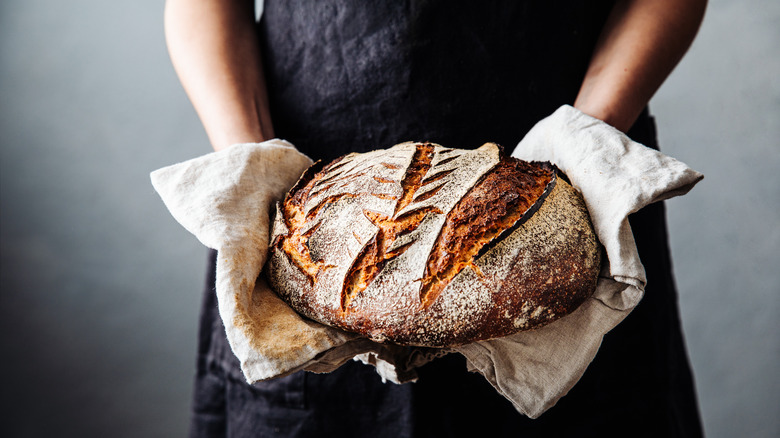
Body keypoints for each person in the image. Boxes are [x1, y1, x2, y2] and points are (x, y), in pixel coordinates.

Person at [164, 1, 707, 436]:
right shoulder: (290, 217)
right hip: (311, 215)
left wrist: (587, 137)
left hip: (571, 187)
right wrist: (255, 164)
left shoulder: (573, 181)